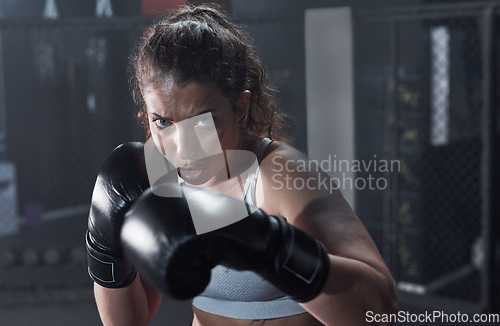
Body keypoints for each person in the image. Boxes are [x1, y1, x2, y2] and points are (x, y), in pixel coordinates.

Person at [85, 4, 398, 326]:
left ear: (241, 109)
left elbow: (381, 310)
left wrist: (265, 244)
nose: (183, 148)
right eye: (163, 121)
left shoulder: (279, 175)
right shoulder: (155, 174)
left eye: (203, 122)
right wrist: (104, 249)